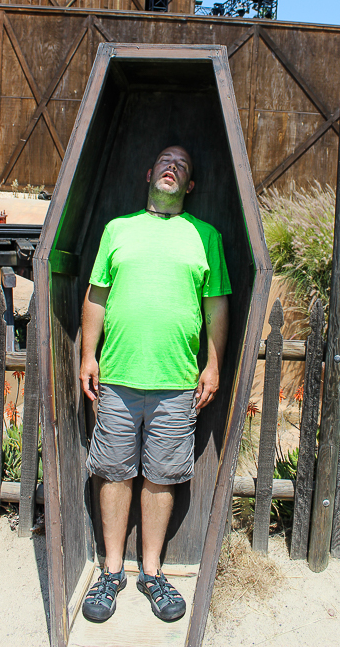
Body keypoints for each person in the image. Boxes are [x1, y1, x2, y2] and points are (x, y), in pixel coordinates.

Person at [79, 145, 231, 624]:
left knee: (162, 476)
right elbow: (96, 296)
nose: (173, 166)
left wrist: (213, 364)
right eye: (166, 160)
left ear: (188, 186)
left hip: (176, 382)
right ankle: (110, 571)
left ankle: (151, 571)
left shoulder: (206, 237)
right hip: (119, 376)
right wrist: (88, 355)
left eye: (183, 165)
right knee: (114, 471)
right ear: (149, 174)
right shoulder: (116, 230)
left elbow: (217, 307)